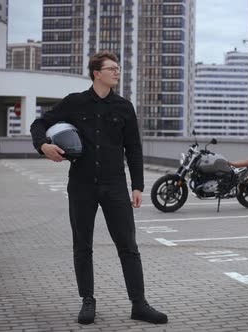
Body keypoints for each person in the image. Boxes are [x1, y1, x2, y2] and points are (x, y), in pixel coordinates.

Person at [30, 51, 167, 325]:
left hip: (116, 186)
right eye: (112, 68)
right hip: (81, 186)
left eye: (118, 68)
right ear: (97, 73)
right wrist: (43, 145)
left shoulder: (124, 107)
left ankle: (139, 304)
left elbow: (134, 149)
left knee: (128, 245)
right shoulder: (75, 103)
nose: (117, 72)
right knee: (83, 246)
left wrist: (138, 186)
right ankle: (88, 302)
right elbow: (40, 123)